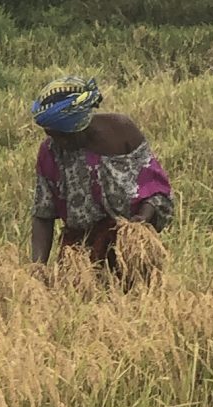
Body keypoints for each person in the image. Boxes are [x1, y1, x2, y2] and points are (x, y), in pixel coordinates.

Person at [30, 76, 173, 271]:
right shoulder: (50, 153)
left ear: (80, 124)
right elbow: (43, 213)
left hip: (129, 246)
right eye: (52, 135)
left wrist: (140, 222)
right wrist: (37, 268)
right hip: (80, 254)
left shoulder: (122, 131)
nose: (60, 142)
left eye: (64, 135)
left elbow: (156, 189)